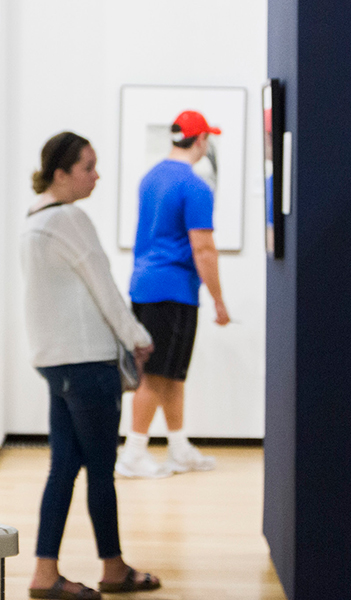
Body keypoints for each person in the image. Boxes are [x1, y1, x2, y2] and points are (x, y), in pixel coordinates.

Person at [21, 131, 160, 599]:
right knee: (101, 469)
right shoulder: (70, 219)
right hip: (88, 364)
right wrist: (137, 338)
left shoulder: (33, 219)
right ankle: (114, 569)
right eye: (88, 166)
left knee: (63, 467)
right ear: (62, 174)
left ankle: (46, 572)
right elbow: (104, 287)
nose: (96, 175)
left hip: (56, 365)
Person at [116, 110, 231, 479]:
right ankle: (133, 453)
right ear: (200, 141)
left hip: (146, 286)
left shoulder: (150, 178)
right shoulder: (195, 186)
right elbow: (203, 248)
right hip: (173, 291)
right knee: (156, 376)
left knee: (173, 373)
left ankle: (179, 448)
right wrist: (218, 299)